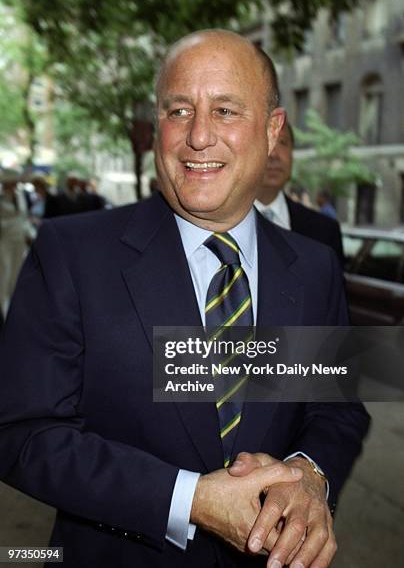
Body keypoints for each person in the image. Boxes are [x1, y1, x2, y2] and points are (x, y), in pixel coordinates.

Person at [0, 30, 369, 567]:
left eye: (224, 110)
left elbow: (337, 410)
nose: (198, 136)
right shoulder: (71, 254)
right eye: (178, 111)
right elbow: (20, 432)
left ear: (272, 131)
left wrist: (309, 474)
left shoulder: (313, 267)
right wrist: (188, 500)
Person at [255, 121, 344, 264]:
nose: (274, 154)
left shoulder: (325, 232)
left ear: (292, 155)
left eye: (283, 142)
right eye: (266, 141)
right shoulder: (218, 226)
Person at [0, 169, 34, 317]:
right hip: (4, 242)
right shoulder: (1, 199)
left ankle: (14, 311)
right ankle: (3, 310)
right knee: (4, 275)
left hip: (19, 242)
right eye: (11, 182)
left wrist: (31, 234)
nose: (14, 185)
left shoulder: (20, 197)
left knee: (17, 275)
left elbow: (24, 219)